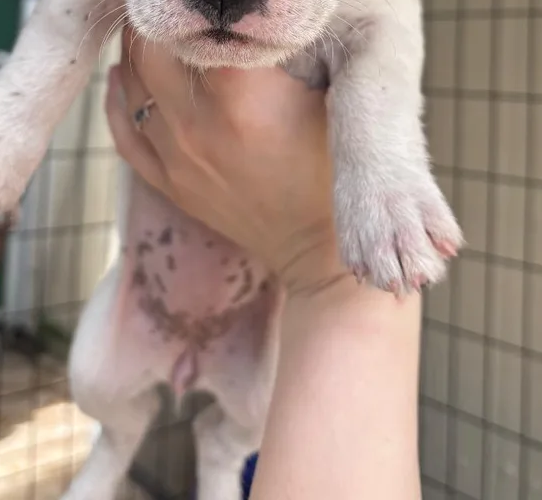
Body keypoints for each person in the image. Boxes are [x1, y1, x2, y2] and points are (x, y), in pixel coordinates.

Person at [105, 26, 423, 500]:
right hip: (171, 268)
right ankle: (116, 445)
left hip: (268, 291)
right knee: (96, 379)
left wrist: (324, 260)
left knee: (250, 410)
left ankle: (222, 455)